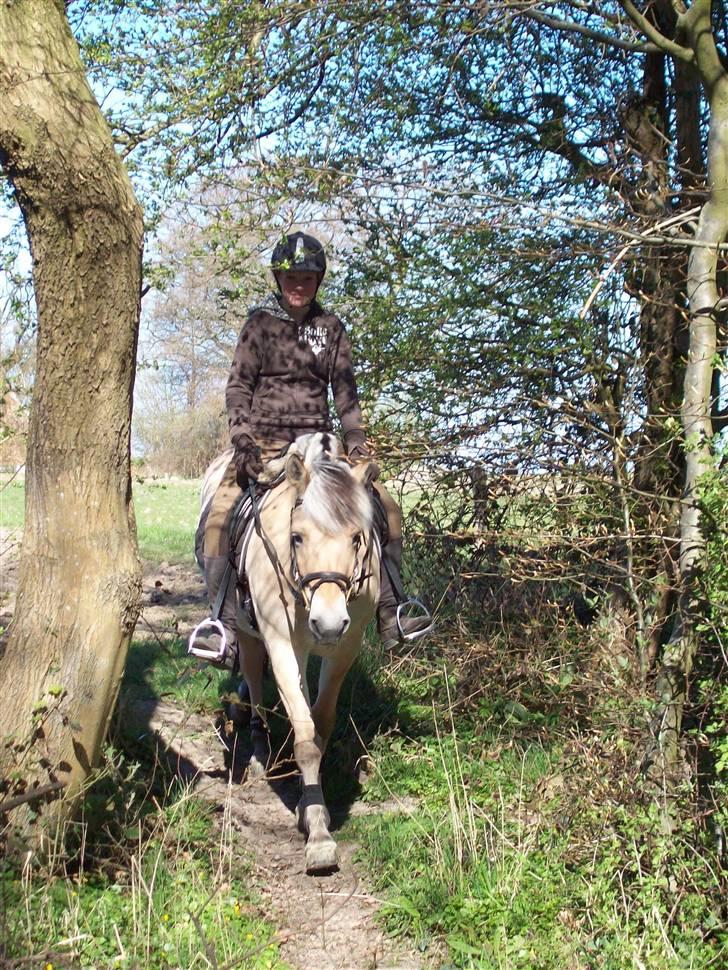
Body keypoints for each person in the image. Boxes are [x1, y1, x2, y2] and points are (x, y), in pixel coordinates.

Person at [199, 230, 431, 668]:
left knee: (386, 507)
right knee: (219, 517)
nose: (298, 285)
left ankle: (391, 609)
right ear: (278, 278)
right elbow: (238, 388)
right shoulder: (258, 326)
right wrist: (242, 440)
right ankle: (223, 624)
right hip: (263, 441)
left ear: (319, 280)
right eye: (290, 277)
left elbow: (345, 394)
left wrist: (357, 442)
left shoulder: (331, 329)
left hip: (319, 443)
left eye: (306, 277)